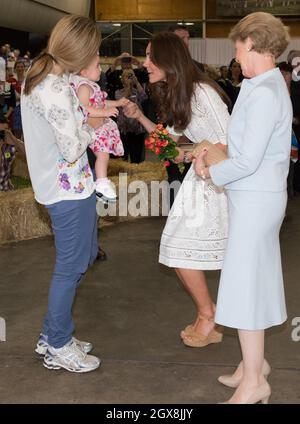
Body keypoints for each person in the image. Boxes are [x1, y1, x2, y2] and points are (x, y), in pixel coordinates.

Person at [194, 12, 291, 403]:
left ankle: (256, 382)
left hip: (256, 199)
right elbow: (246, 148)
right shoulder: (259, 86)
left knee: (247, 288)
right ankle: (255, 366)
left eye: (237, 45)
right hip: (253, 196)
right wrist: (214, 156)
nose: (235, 53)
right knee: (256, 281)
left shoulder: (266, 92)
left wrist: (210, 171)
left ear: (252, 43)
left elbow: (248, 160)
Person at [124, 32, 230, 347]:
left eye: (150, 57)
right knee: (174, 250)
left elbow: (229, 142)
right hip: (200, 180)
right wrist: (140, 115)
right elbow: (167, 146)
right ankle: (207, 313)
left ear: (169, 61)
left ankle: (208, 316)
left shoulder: (202, 93)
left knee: (179, 251)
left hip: (216, 182)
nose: (145, 64)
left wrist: (196, 152)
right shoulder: (181, 94)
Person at [21, 15, 102, 373]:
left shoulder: (43, 73)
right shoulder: (52, 86)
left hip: (72, 185)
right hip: (66, 188)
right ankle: (58, 344)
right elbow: (71, 147)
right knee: (70, 267)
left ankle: (51, 333)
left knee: (81, 260)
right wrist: (93, 126)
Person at [69, 57, 128, 203]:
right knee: (102, 155)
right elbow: (83, 109)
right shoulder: (84, 87)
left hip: (99, 127)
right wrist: (104, 113)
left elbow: (101, 102)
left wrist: (117, 103)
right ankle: (101, 182)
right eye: (97, 66)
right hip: (94, 129)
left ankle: (101, 180)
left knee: (103, 154)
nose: (100, 70)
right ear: (84, 71)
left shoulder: (91, 85)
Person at [115, 68, 147, 163]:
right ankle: (124, 177)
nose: (129, 78)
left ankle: (136, 174)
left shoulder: (137, 91)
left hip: (137, 128)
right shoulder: (118, 92)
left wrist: (136, 82)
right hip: (124, 127)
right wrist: (128, 87)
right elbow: (123, 101)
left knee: (136, 155)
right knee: (123, 156)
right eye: (126, 76)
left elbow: (144, 97)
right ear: (122, 79)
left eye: (130, 76)